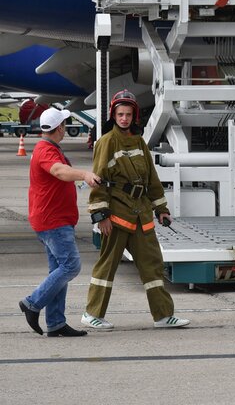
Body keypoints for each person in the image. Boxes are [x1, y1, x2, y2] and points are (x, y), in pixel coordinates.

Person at [82, 90, 190, 330]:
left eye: (128, 114)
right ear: (114, 115)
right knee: (107, 265)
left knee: (153, 264)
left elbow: (152, 178)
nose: (124, 118)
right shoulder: (107, 142)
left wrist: (161, 208)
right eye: (120, 114)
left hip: (141, 214)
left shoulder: (140, 141)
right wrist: (101, 216)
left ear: (134, 116)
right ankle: (92, 314)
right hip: (117, 214)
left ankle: (163, 316)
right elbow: (98, 179)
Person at [19, 108, 101, 337]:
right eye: (64, 124)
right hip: (52, 220)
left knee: (58, 269)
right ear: (59, 128)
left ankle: (55, 323)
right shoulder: (46, 150)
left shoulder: (49, 148)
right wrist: (84, 174)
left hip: (53, 218)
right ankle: (32, 303)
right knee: (71, 266)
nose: (65, 128)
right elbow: (58, 171)